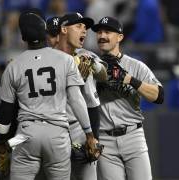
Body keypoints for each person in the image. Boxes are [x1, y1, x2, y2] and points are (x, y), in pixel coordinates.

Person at [0, 9, 98, 180]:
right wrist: (90, 134)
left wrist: (1, 142)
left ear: (23, 38)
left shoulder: (13, 66)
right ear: (45, 33)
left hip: (25, 134)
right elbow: (76, 100)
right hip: (58, 133)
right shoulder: (66, 60)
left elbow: (5, 113)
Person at [91, 16, 164, 180]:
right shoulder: (91, 66)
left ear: (120, 37)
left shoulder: (135, 66)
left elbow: (159, 96)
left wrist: (131, 80)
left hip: (133, 136)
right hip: (105, 139)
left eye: (107, 32)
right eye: (99, 32)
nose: (102, 35)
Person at [56, 13, 107, 180]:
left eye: (85, 28)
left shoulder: (86, 56)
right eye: (78, 26)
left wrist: (94, 139)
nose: (84, 31)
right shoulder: (49, 58)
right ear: (64, 29)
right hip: (54, 129)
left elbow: (104, 76)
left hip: (80, 129)